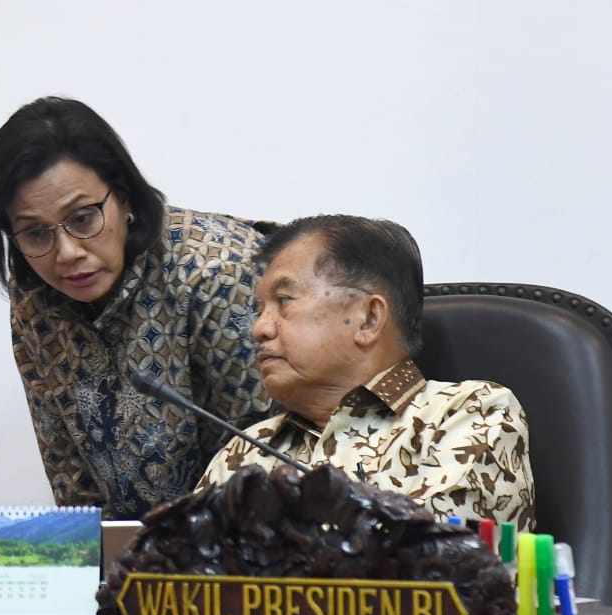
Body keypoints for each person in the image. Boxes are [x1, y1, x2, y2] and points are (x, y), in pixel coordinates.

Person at [0, 97, 271, 520]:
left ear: (125, 198)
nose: (67, 253)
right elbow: (70, 478)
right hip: (135, 557)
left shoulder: (218, 275)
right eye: (35, 232)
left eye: (82, 218)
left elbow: (262, 465)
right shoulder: (34, 292)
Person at [198, 214, 535, 531]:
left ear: (369, 319)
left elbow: (431, 558)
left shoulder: (469, 412)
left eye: (284, 300)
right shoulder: (247, 449)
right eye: (260, 310)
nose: (260, 328)